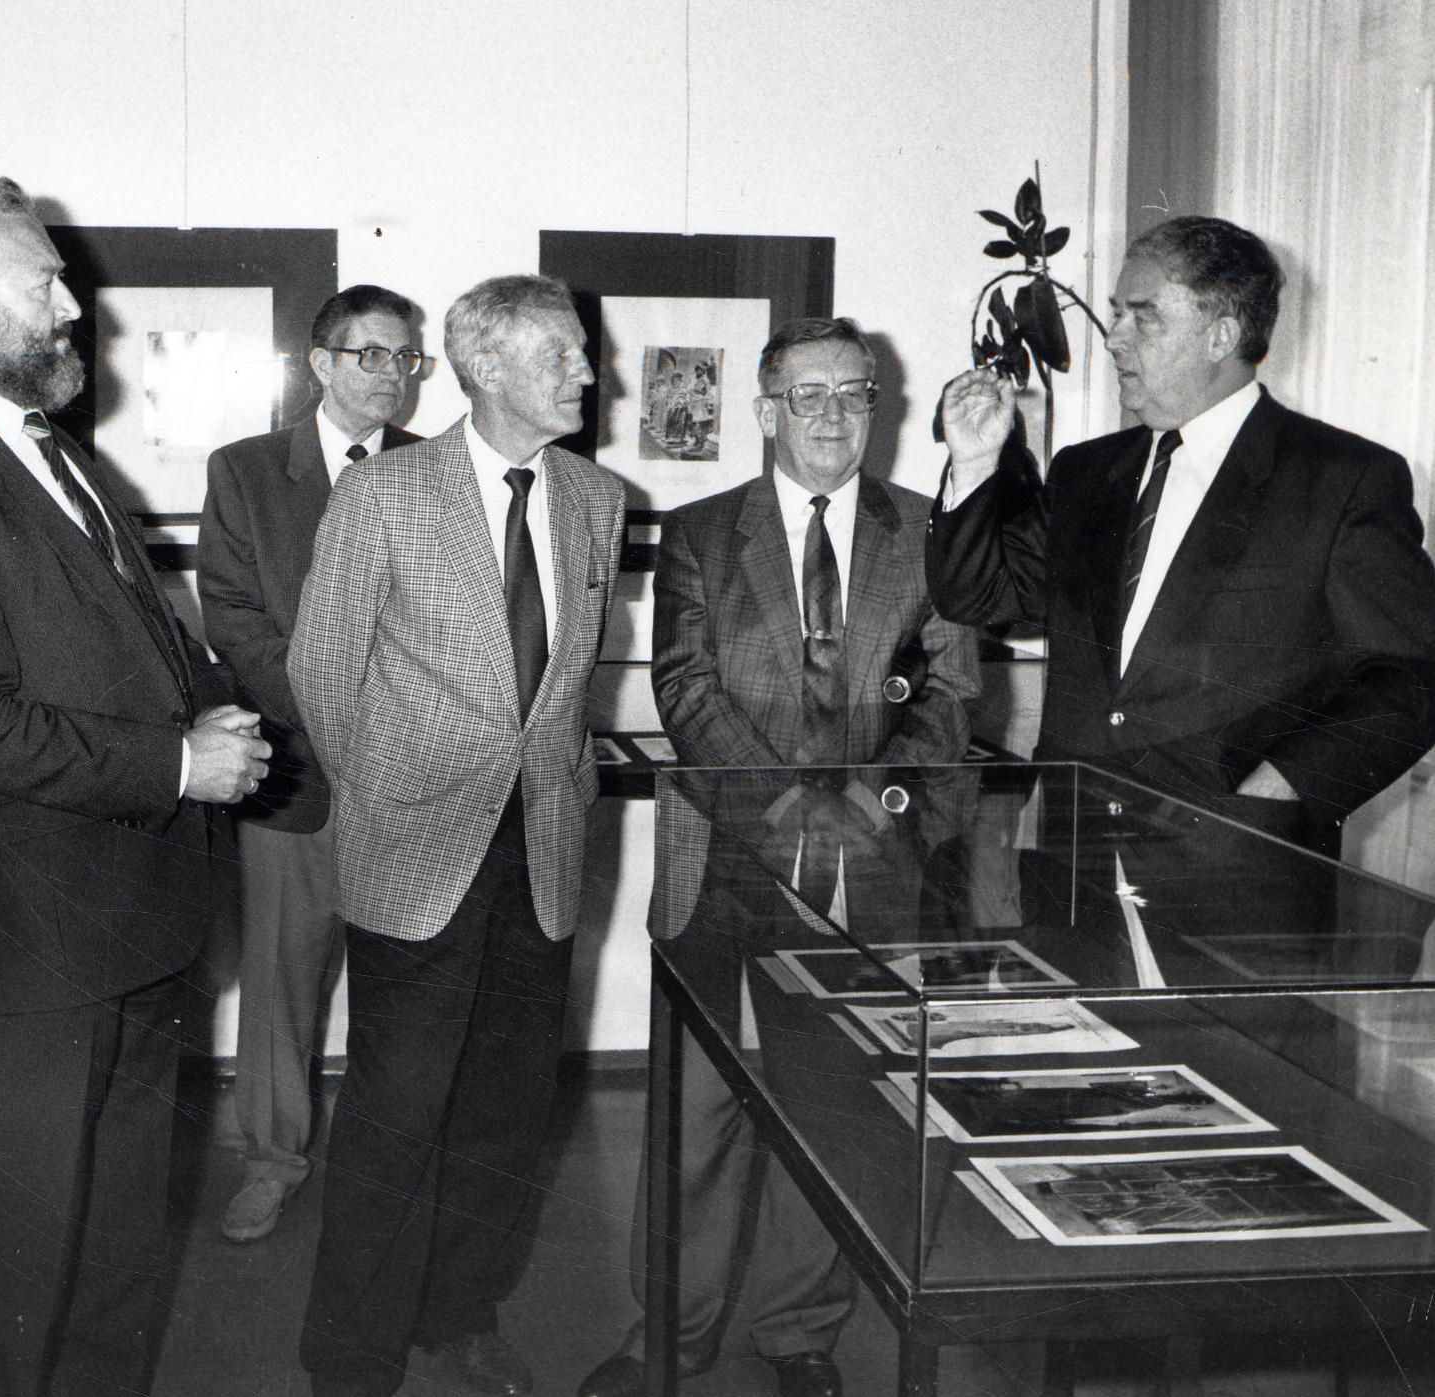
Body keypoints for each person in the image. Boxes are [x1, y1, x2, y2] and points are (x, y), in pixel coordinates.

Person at [0, 176, 270, 1395]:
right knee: (20, 1250)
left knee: (120, 1236)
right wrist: (181, 763)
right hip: (36, 931)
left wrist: (204, 707)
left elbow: (127, 645)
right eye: (44, 279)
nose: (72, 300)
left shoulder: (49, 453)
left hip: (136, 912)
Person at [580, 317, 977, 1397]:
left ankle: (802, 1331)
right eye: (810, 395)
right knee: (700, 1115)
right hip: (729, 857)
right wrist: (785, 805)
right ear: (765, 411)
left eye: (855, 393)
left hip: (876, 864)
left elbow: (950, 699)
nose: (836, 415)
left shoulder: (933, 533)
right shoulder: (705, 535)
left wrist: (859, 803)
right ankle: (673, 1327)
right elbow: (684, 687)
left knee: (838, 1104)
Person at [289, 273, 626, 1397]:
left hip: (542, 854)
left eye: (584, 353)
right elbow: (322, 673)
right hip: (416, 853)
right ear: (483, 366)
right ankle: (350, 1353)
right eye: (564, 354)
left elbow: (567, 683)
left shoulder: (597, 499)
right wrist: (390, 790)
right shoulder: (386, 496)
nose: (590, 372)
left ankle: (460, 1314)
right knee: (394, 1116)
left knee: (506, 1110)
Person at [931, 214, 1435, 856]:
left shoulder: (1341, 479)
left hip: (1236, 866)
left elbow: (1412, 678)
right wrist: (974, 464)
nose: (1113, 339)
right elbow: (980, 601)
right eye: (1117, 313)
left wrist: (1279, 790)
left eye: (1143, 317)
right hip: (1074, 859)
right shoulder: (1087, 472)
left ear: (1220, 335)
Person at [197, 284, 425, 1244]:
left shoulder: (439, 474)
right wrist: (342, 727)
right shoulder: (247, 471)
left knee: (409, 998)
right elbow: (236, 620)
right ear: (322, 364)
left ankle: (395, 1173)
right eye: (371, 354)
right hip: (297, 780)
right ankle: (272, 1161)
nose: (392, 375)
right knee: (282, 989)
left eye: (406, 357)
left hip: (416, 792)